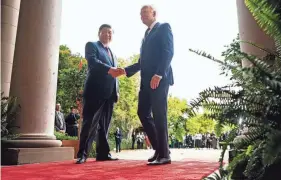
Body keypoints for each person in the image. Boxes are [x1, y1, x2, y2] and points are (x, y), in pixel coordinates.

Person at [113, 5, 174, 165]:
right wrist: (124, 70)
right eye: (140, 14)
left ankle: (164, 155)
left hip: (159, 79)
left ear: (154, 14)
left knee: (159, 115)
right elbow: (142, 63)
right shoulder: (145, 36)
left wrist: (159, 74)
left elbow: (168, 52)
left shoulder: (163, 28)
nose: (142, 16)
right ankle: (159, 149)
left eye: (145, 13)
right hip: (146, 81)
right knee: (143, 112)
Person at [76, 24, 122, 164]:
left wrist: (117, 91)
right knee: (89, 123)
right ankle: (82, 154)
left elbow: (115, 75)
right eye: (105, 32)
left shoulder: (113, 53)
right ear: (99, 33)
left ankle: (103, 153)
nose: (108, 34)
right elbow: (93, 63)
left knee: (104, 126)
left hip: (110, 94)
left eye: (110, 32)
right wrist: (110, 69)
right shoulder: (92, 46)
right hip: (94, 92)